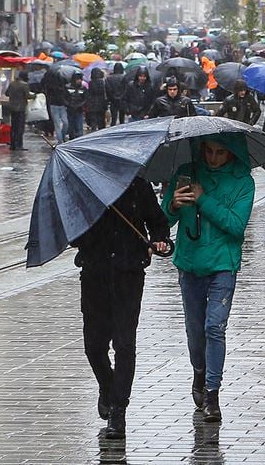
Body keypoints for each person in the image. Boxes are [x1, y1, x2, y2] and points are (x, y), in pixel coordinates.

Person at [160, 135, 255, 423]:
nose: (213, 158)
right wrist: (173, 205)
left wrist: (203, 199)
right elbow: (163, 220)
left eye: (220, 153)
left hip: (223, 264)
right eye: (209, 151)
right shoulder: (187, 173)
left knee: (215, 327)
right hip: (189, 262)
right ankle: (199, 371)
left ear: (231, 153)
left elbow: (236, 226)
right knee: (195, 328)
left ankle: (212, 393)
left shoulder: (242, 182)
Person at [72, 178, 170, 440]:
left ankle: (118, 411)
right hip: (95, 275)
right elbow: (73, 234)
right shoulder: (88, 188)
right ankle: (108, 386)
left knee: (124, 344)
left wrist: (159, 241)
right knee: (94, 345)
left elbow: (158, 222)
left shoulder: (139, 186)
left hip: (129, 274)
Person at [4, 71, 36, 150]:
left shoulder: (12, 84)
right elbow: (28, 95)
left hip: (12, 107)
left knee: (13, 126)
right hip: (21, 108)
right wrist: (34, 96)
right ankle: (19, 145)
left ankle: (12, 144)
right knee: (20, 127)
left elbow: (7, 93)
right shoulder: (24, 85)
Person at [43, 67, 69, 143]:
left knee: (62, 123)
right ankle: (60, 140)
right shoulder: (51, 84)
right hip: (56, 104)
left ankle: (62, 138)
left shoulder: (51, 82)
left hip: (58, 104)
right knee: (61, 123)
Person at [64, 71, 86, 140]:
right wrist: (69, 104)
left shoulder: (83, 88)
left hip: (79, 109)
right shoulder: (67, 87)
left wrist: (80, 105)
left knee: (79, 126)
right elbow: (64, 97)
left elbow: (86, 98)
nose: (79, 81)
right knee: (71, 126)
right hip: (70, 110)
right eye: (78, 79)